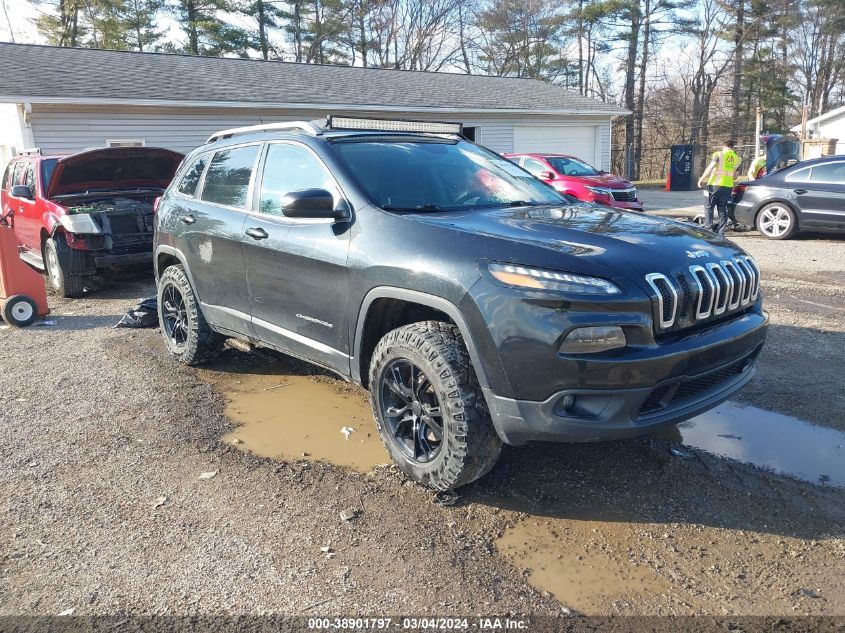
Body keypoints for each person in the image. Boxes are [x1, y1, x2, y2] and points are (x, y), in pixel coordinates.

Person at [697, 140, 741, 234]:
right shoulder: (737, 159)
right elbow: (735, 176)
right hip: (728, 186)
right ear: (733, 147)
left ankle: (709, 230)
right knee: (722, 208)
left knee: (709, 207)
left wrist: (702, 179)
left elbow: (711, 167)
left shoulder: (719, 154)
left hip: (715, 184)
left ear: (724, 146)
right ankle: (721, 231)